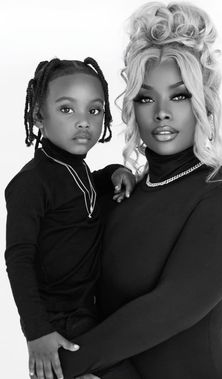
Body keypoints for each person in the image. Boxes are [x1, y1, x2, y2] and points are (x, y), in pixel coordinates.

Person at [50, 3, 222, 379]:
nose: (162, 112)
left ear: (205, 105)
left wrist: (61, 365)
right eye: (147, 98)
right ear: (132, 106)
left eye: (180, 96)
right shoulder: (123, 195)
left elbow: (167, 310)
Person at [4, 57, 141, 379]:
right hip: (60, 322)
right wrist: (37, 332)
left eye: (94, 110)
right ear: (39, 115)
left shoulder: (73, 168)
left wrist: (114, 173)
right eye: (67, 109)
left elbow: (85, 189)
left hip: (91, 310)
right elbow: (19, 258)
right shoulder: (31, 183)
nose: (83, 122)